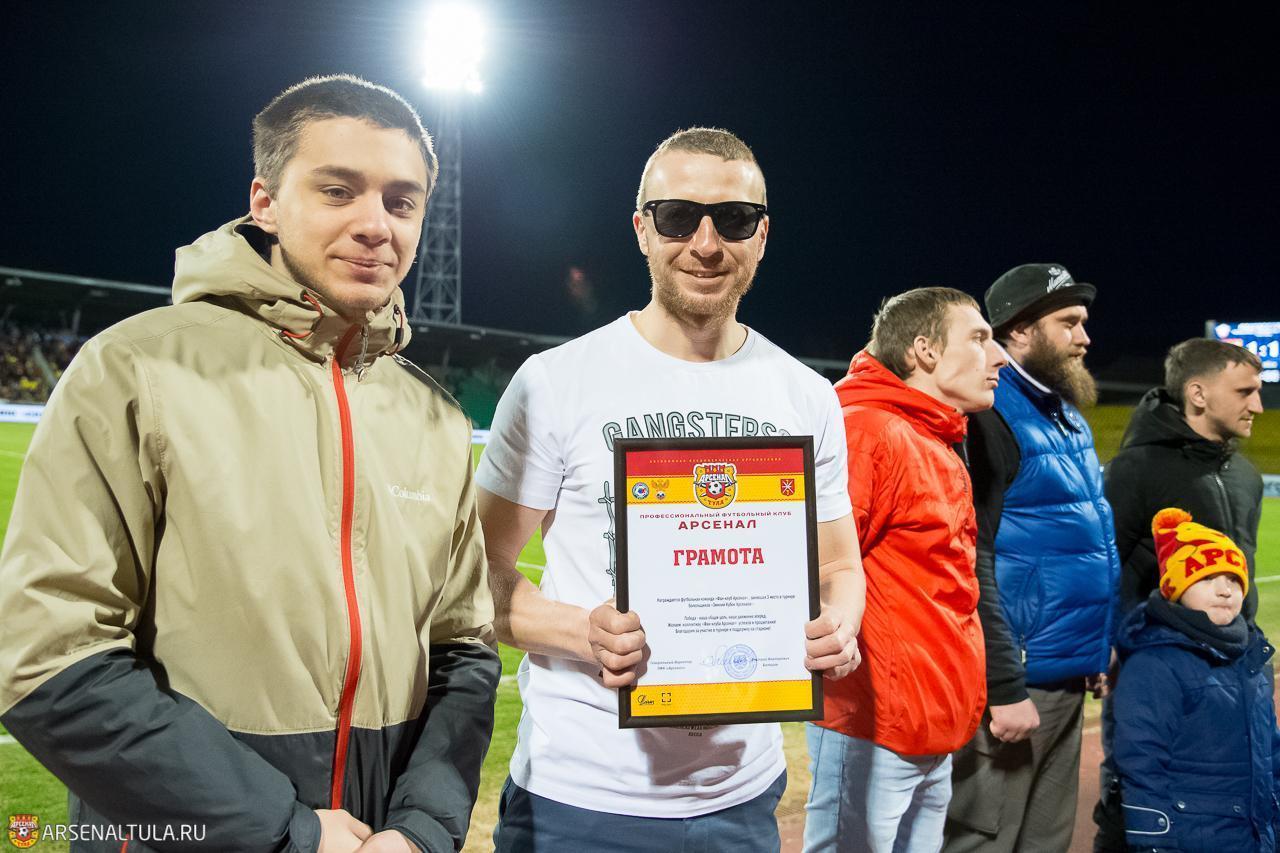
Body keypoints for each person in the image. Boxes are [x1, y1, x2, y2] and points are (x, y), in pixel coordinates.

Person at [0, 75, 499, 853]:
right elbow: (46, 655)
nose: (376, 224)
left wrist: (421, 828)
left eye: (402, 202)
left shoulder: (434, 417)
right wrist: (283, 832)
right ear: (264, 202)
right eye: (338, 190)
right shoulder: (135, 370)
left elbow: (463, 650)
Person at [475, 127, 866, 852]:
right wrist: (582, 632)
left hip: (742, 794)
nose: (706, 244)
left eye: (734, 219)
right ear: (642, 230)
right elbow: (475, 576)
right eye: (678, 217)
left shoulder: (807, 395)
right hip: (578, 797)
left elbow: (841, 565)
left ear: (762, 236)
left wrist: (840, 624)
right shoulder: (556, 381)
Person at [804, 287, 1006, 853]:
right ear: (925, 350)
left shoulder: (927, 433)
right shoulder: (868, 430)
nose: (998, 358)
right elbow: (814, 573)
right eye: (979, 338)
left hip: (927, 718)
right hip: (873, 722)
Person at [944, 262, 1120, 853]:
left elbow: (1088, 541)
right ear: (1018, 330)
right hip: (1015, 682)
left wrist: (1094, 646)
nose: (1084, 338)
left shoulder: (1063, 412)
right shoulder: (988, 414)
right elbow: (971, 557)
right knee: (989, 838)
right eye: (1068, 323)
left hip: (1064, 675)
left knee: (1046, 838)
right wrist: (1003, 683)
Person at [1092, 337, 1265, 850]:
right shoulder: (1135, 469)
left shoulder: (1246, 476)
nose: (1258, 405)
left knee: (1230, 795)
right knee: (1138, 793)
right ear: (1198, 394)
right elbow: (1104, 565)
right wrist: (1107, 647)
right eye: (1245, 392)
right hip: (1157, 671)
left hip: (1233, 667)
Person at [1111, 507, 1280, 852]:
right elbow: (1141, 761)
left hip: (1253, 838)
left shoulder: (1252, 658)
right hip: (1191, 838)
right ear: (1175, 588)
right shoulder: (1155, 663)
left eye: (1233, 579)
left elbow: (1270, 752)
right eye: (1206, 578)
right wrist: (1155, 841)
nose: (1225, 590)